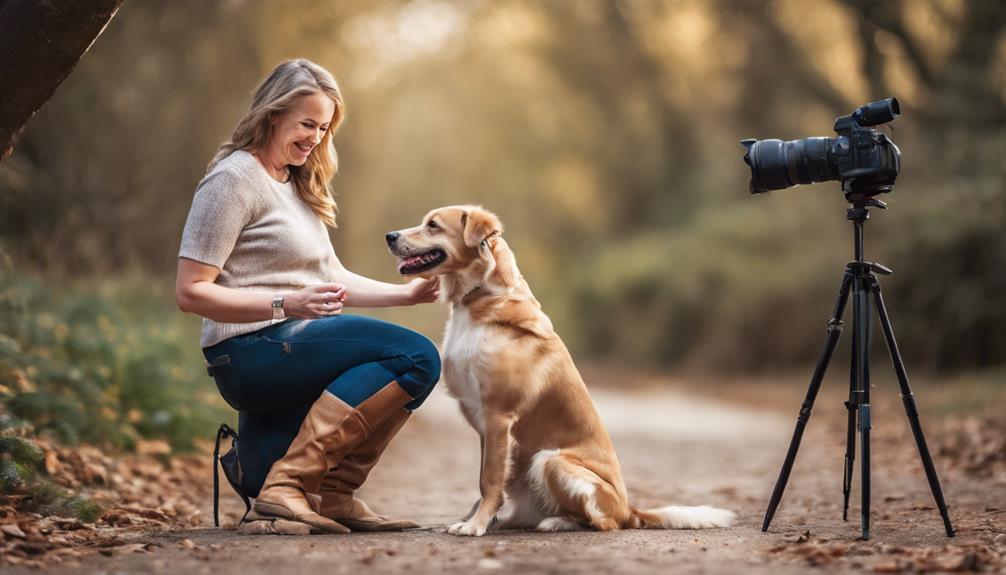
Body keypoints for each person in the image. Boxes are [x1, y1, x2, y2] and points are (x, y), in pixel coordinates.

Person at [175, 58, 441, 534]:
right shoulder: (233, 180)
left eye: (323, 128)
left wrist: (406, 296)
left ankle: (328, 493)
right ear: (273, 114)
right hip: (248, 350)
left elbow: (330, 274)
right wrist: (285, 304)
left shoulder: (296, 184)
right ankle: (290, 484)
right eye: (306, 124)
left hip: (293, 341)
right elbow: (191, 292)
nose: (315, 137)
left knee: (260, 475)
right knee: (416, 357)